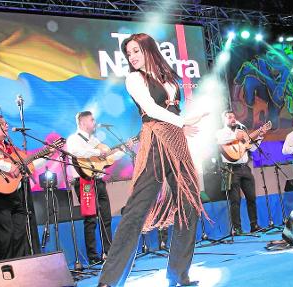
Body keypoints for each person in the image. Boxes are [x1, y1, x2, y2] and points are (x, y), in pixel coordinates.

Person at [98, 33, 207, 287]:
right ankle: (109, 281)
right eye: (129, 53)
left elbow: (171, 108)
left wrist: (182, 125)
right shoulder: (134, 79)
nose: (132, 57)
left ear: (149, 49)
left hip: (177, 141)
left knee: (190, 204)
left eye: (136, 51)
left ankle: (179, 273)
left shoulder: (167, 76)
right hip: (156, 140)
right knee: (136, 210)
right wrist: (183, 121)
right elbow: (151, 108)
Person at [0, 114, 47, 259]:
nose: (7, 126)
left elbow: (29, 165)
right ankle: (6, 269)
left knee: (19, 233)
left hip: (16, 196)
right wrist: (7, 166)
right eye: (2, 124)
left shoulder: (11, 148)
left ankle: (18, 267)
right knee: (6, 236)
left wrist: (46, 155)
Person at [67, 111, 122, 265]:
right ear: (83, 123)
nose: (94, 122)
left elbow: (107, 158)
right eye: (92, 120)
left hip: (98, 181)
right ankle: (93, 256)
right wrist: (98, 152)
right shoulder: (74, 139)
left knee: (106, 217)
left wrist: (122, 150)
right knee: (90, 219)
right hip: (84, 182)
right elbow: (76, 152)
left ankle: (108, 251)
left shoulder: (95, 140)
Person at [215, 110, 262, 234]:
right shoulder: (221, 133)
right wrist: (236, 136)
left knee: (251, 197)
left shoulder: (242, 131)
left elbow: (251, 147)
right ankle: (237, 228)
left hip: (245, 168)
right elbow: (220, 141)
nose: (233, 119)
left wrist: (260, 136)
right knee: (235, 200)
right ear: (224, 120)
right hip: (231, 169)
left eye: (234, 117)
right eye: (229, 117)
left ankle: (254, 225)